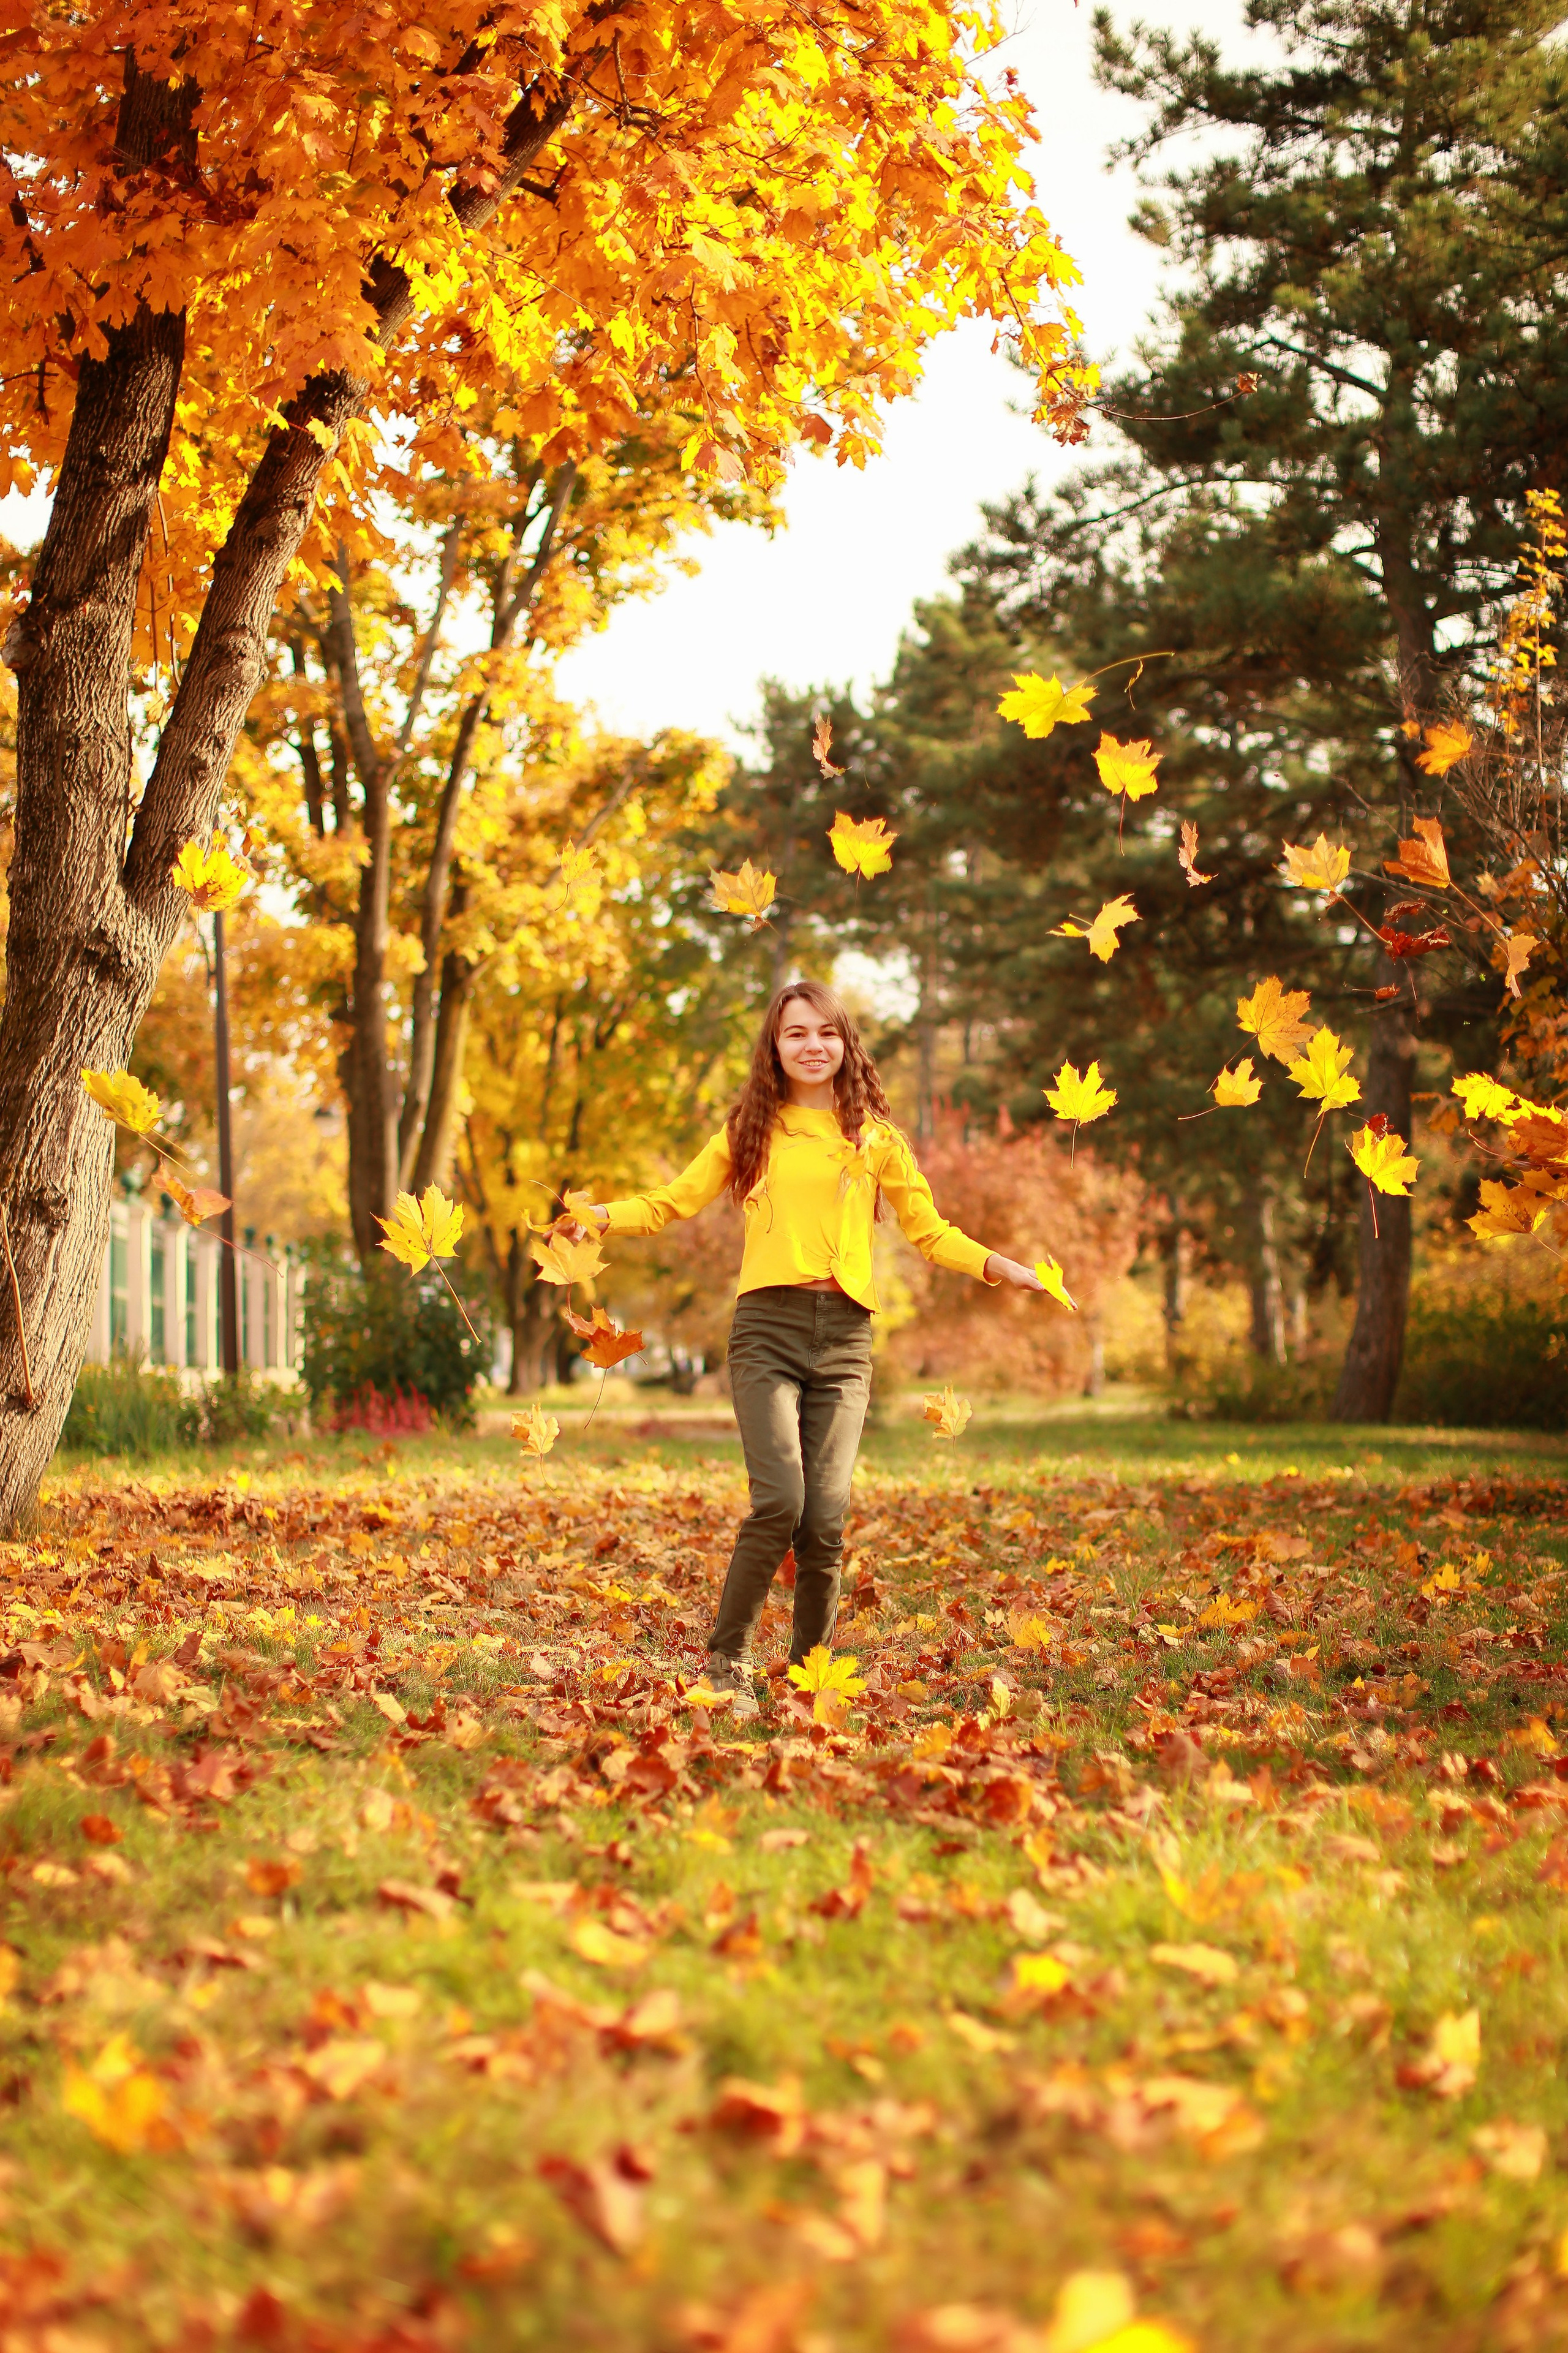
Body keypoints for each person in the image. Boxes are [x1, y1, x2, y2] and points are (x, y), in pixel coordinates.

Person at [571, 980, 1045, 1721]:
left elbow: (929, 1230)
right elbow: (671, 1201)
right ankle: (726, 1661)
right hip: (766, 1329)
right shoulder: (750, 1132)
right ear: (775, 1047)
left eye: (826, 1032)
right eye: (796, 1034)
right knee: (780, 1500)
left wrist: (996, 1264)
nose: (812, 1045)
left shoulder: (877, 1140)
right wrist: (599, 1216)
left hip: (846, 1338)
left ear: (845, 1044)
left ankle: (810, 1672)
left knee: (824, 1516)